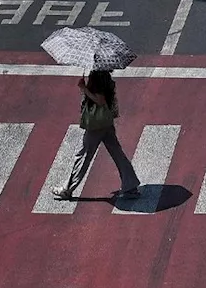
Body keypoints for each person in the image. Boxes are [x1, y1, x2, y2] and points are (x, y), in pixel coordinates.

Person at [53, 71, 140, 201]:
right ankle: (130, 186)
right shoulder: (105, 75)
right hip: (105, 121)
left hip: (96, 124)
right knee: (117, 153)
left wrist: (84, 89)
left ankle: (67, 189)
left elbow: (100, 100)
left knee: (82, 156)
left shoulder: (98, 76)